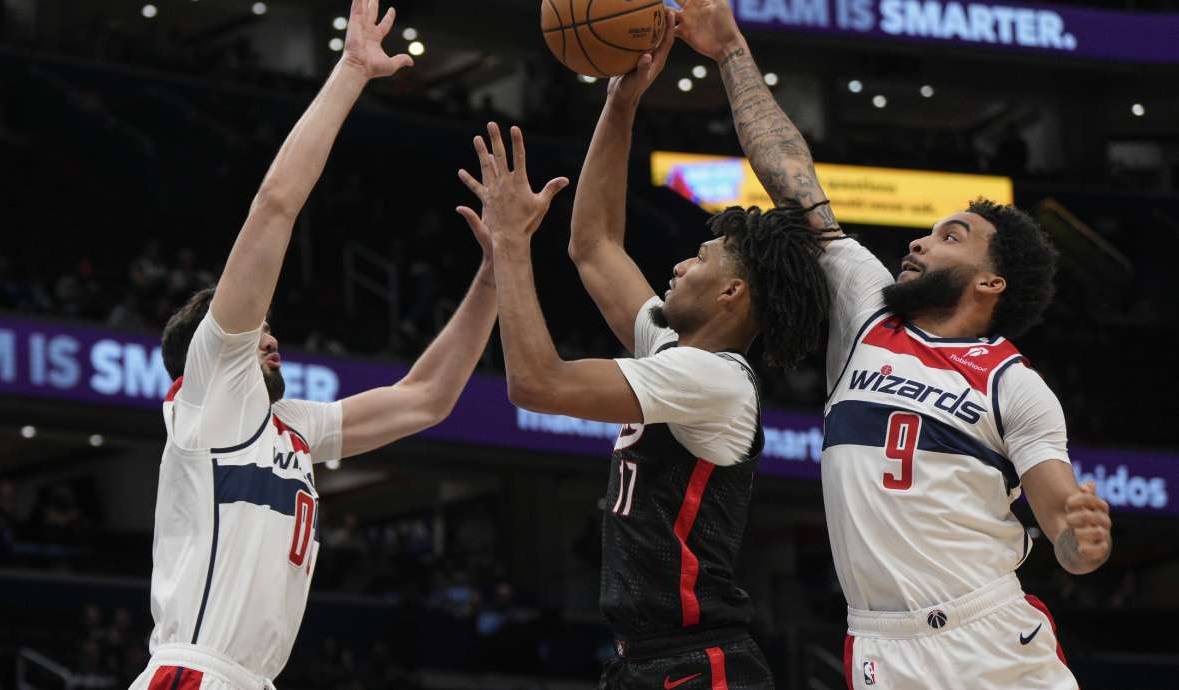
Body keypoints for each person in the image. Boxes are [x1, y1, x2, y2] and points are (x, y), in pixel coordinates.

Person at [674, 1, 1113, 688]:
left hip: (989, 639)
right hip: (880, 648)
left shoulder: (1011, 381)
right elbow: (789, 173)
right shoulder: (866, 313)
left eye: (949, 237)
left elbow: (1059, 513)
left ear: (990, 282)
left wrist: (1080, 543)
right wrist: (730, 48)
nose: (919, 241)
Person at [129, 2, 501, 688]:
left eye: (268, 328)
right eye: (253, 329)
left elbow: (426, 399)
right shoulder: (213, 392)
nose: (269, 336)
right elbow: (274, 205)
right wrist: (353, 70)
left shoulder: (290, 427)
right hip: (195, 675)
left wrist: (496, 271)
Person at [454, 28, 830, 690]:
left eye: (700, 260)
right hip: (649, 661)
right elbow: (594, 244)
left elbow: (537, 384)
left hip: (699, 663)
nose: (680, 264)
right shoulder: (679, 353)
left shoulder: (713, 381)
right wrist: (621, 102)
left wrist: (510, 246)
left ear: (732, 293)